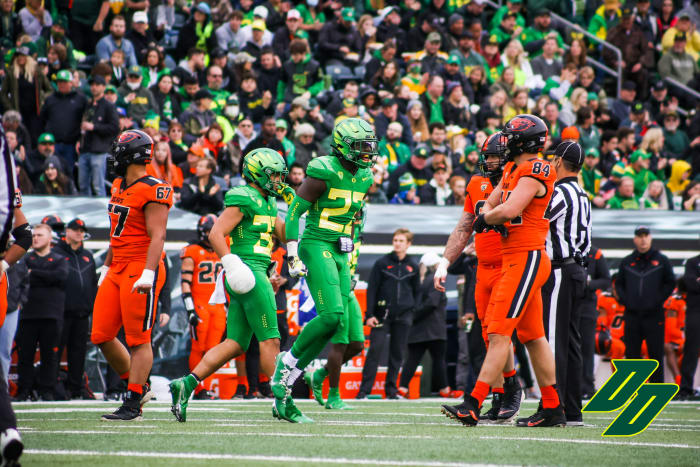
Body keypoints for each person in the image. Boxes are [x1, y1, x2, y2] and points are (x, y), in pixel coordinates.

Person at [442, 114, 563, 427]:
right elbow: (489, 204)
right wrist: (487, 214)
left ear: (525, 141)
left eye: (510, 137)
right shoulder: (511, 168)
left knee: (498, 333)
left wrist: (488, 218)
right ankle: (552, 406)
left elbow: (508, 209)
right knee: (533, 335)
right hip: (514, 258)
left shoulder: (538, 167)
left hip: (527, 257)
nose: (505, 142)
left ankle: (473, 402)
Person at [170, 148, 287, 421]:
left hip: (253, 271)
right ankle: (284, 400)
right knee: (271, 339)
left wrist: (295, 208)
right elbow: (215, 233)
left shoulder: (268, 202)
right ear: (257, 173)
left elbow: (286, 233)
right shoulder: (245, 196)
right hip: (249, 270)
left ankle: (186, 384)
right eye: (273, 175)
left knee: (235, 343)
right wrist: (231, 263)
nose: (278, 180)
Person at [271, 118, 376, 420]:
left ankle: (287, 379)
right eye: (360, 146)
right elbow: (293, 213)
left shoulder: (366, 176)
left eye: (369, 146)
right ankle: (286, 364)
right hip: (317, 243)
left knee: (335, 322)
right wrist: (292, 252)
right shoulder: (322, 170)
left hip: (343, 249)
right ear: (342, 146)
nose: (367, 152)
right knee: (330, 315)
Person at [436, 132, 521, 423]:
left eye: (495, 156)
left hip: (511, 265)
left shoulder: (521, 181)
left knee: (499, 333)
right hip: (482, 267)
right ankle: (502, 393)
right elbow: (464, 226)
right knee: (489, 336)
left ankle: (505, 390)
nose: (489, 162)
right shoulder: (476, 183)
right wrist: (444, 262)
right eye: (487, 157)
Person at [90, 129, 173, 421]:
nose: (114, 157)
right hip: (118, 265)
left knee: (139, 339)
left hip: (141, 265)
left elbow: (158, 236)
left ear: (131, 154)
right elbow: (116, 233)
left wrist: (149, 272)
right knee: (101, 334)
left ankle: (133, 399)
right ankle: (140, 385)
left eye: (118, 151)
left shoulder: (154, 188)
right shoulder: (118, 184)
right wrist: (106, 266)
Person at [541, 141, 592, 426]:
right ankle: (572, 410)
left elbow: (536, 219)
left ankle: (553, 407)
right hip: (578, 269)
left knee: (552, 340)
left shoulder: (559, 191)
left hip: (560, 269)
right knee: (571, 342)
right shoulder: (582, 194)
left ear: (559, 161)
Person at [305, 204, 368, 410]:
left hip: (349, 288)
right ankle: (333, 395)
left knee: (357, 344)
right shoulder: (334, 226)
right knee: (340, 343)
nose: (357, 216)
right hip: (338, 288)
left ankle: (321, 373)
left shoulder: (355, 231)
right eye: (355, 212)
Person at [357, 227, 420, 399]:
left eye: (401, 241)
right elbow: (372, 290)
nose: (397, 244)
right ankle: (364, 391)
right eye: (395, 240)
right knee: (374, 352)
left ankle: (391, 391)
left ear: (408, 244)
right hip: (381, 315)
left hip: (404, 316)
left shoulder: (413, 266)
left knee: (397, 354)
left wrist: (412, 311)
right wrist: (369, 314)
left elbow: (417, 292)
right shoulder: (382, 263)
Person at [0, 130, 30, 465]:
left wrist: (4, 262)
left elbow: (23, 233)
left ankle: (7, 428)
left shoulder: (11, 196)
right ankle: (8, 430)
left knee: (2, 360)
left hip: (4, 285)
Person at [615, 226, 675, 383]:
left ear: (650, 238)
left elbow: (670, 283)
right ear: (635, 239)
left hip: (654, 315)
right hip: (632, 315)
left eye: (645, 235)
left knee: (655, 353)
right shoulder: (627, 261)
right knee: (632, 354)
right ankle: (633, 390)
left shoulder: (662, 261)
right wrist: (626, 300)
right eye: (639, 236)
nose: (643, 239)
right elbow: (619, 284)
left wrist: (657, 300)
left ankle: (657, 390)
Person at [15, 223, 68, 401]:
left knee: (50, 356)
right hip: (27, 315)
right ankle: (24, 390)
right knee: (25, 355)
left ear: (49, 238)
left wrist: (34, 274)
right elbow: (21, 277)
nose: (35, 238)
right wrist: (44, 275)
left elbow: (60, 277)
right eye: (34, 235)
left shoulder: (59, 259)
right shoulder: (24, 259)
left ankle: (47, 390)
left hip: (51, 315)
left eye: (40, 235)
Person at [180, 215, 227, 400]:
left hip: (218, 307)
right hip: (200, 305)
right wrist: (190, 309)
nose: (210, 235)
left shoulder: (224, 249)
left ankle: (205, 387)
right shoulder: (192, 251)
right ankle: (197, 388)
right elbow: (185, 283)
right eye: (208, 231)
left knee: (214, 349)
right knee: (198, 348)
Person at [398, 252, 457, 398]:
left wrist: (412, 317)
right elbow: (431, 303)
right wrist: (415, 315)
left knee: (412, 359)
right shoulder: (435, 280)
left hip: (418, 329)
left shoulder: (417, 281)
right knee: (438, 360)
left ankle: (402, 388)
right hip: (434, 329)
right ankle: (444, 389)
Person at [54, 218, 97, 399]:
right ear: (67, 231)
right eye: (75, 229)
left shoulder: (87, 255)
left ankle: (76, 389)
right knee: (55, 351)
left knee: (78, 353)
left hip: (82, 313)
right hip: (61, 313)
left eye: (81, 230)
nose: (79, 233)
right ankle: (52, 389)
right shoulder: (56, 253)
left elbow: (93, 283)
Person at [78, 75, 120, 197]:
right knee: (83, 185)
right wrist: (79, 140)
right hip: (85, 147)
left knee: (98, 186)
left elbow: (114, 128)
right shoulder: (89, 104)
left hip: (99, 150)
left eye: (97, 85)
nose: (94, 87)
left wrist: (94, 127)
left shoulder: (108, 106)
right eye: (92, 85)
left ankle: (99, 214)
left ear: (103, 87)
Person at [39, 70, 88, 172]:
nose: (62, 85)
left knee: (68, 172)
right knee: (51, 170)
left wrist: (80, 139)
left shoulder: (80, 98)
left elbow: (86, 118)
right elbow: (42, 118)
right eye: (59, 82)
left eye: (64, 82)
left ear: (71, 83)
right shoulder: (51, 99)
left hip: (71, 143)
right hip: (52, 143)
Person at [578, 246, 610, 398]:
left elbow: (606, 279)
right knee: (566, 346)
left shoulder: (595, 253)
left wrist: (589, 284)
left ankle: (587, 386)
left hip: (587, 306)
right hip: (566, 304)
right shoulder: (565, 248)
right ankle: (567, 384)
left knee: (587, 346)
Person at [678, 252, 700, 399]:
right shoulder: (692, 262)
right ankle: (685, 388)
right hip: (695, 311)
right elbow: (691, 283)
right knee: (691, 349)